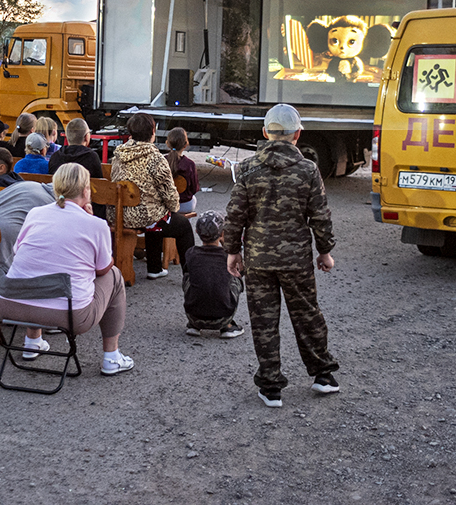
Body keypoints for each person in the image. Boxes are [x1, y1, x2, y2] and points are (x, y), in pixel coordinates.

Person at [223, 103, 338, 408]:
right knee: (307, 315)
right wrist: (324, 251)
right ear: (298, 134)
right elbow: (320, 215)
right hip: (297, 259)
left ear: (265, 133)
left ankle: (271, 386)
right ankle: (323, 375)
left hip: (258, 259)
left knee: (263, 322)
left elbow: (235, 216)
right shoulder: (308, 170)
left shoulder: (248, 169)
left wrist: (232, 251)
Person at [0, 164, 134, 375]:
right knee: (114, 276)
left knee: (37, 266)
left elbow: (17, 251)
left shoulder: (35, 214)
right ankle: (112, 357)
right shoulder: (96, 225)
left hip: (10, 304)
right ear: (86, 190)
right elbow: (103, 268)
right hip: (69, 316)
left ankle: (32, 342)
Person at [108, 112, 195, 280]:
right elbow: (169, 193)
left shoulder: (118, 155)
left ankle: (155, 268)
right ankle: (190, 275)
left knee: (156, 214)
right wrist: (173, 208)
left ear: (131, 132)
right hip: (146, 217)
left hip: (119, 214)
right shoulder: (156, 158)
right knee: (179, 225)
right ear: (152, 132)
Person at [183, 211, 244, 339]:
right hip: (223, 317)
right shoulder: (227, 256)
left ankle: (194, 326)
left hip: (194, 316)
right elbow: (240, 272)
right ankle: (227, 326)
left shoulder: (191, 253)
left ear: (197, 232)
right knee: (235, 278)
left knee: (189, 276)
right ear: (222, 234)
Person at [48, 117, 106, 220]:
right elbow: (99, 188)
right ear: (86, 137)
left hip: (57, 205)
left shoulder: (55, 157)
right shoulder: (92, 157)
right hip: (87, 209)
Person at [164, 127, 199, 214]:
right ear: (185, 145)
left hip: (166, 205)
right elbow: (194, 189)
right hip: (185, 205)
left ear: (167, 143)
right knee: (193, 199)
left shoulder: (162, 161)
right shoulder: (190, 164)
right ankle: (186, 224)